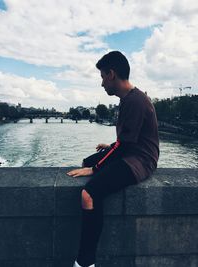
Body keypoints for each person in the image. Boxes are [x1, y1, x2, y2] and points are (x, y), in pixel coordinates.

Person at [67, 51, 160, 267]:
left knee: (88, 194)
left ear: (111, 74)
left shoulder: (135, 101)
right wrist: (107, 151)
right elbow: (128, 139)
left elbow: (126, 144)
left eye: (102, 77)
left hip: (139, 161)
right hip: (132, 152)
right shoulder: (129, 99)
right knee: (86, 161)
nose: (101, 84)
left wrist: (96, 168)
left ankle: (85, 261)